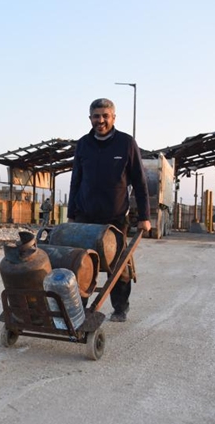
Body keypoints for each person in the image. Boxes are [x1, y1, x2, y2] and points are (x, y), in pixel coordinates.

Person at [67, 98, 151, 322]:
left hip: (115, 218)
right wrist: (71, 214)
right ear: (90, 118)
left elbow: (140, 182)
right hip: (85, 217)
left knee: (118, 266)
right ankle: (80, 308)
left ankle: (120, 308)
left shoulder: (126, 143)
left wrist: (144, 217)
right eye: (96, 116)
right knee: (82, 264)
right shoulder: (83, 144)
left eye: (105, 116)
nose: (101, 120)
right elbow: (76, 181)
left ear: (113, 117)